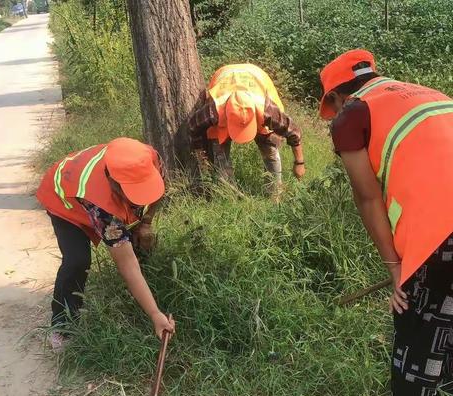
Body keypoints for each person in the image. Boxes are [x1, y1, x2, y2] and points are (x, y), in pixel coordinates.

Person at [319, 49, 453, 396]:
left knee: (416, 315)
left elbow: (368, 197)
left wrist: (396, 267)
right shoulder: (428, 93)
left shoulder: (353, 114)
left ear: (338, 97)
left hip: (439, 224)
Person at [36, 137, 176, 351]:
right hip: (64, 198)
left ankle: (137, 298)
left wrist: (145, 222)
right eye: (134, 194)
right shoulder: (102, 205)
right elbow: (126, 263)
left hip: (98, 194)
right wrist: (156, 315)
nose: (140, 201)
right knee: (77, 260)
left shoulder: (149, 158)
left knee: (140, 237)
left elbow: (159, 191)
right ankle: (63, 327)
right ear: (114, 184)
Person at [189, 63, 305, 197]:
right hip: (225, 76)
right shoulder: (214, 110)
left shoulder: (267, 110)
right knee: (218, 152)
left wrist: (299, 163)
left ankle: (275, 195)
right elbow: (193, 127)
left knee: (270, 147)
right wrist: (201, 156)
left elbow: (293, 132)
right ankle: (228, 195)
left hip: (257, 78)